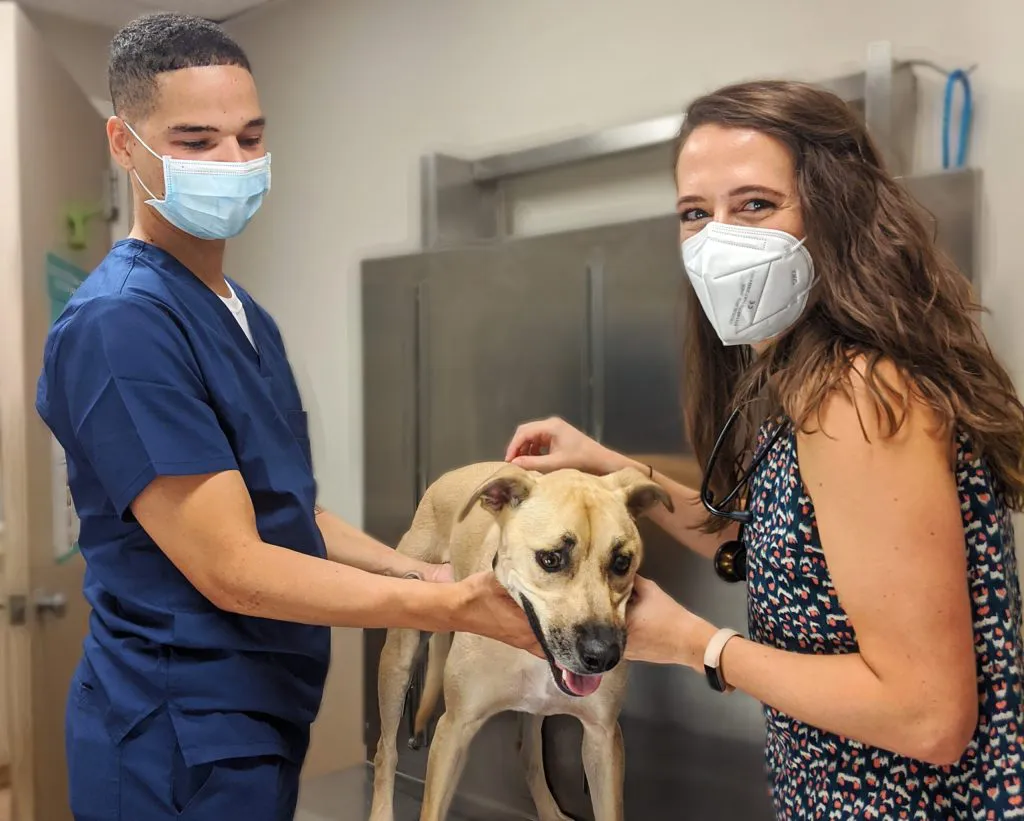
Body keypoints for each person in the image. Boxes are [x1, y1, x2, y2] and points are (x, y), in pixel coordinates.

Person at [36, 13, 534, 821]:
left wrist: (418, 570)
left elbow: (283, 509)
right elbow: (233, 565)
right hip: (174, 733)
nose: (233, 163)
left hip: (249, 718)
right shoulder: (121, 324)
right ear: (124, 145)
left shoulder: (240, 314)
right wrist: (444, 609)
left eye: (249, 137)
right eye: (197, 142)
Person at [506, 80, 1024, 819]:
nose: (719, 240)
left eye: (754, 204)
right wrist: (604, 465)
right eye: (695, 213)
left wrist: (701, 647)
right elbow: (762, 539)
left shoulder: (857, 398)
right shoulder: (806, 380)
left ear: (833, 210)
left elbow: (928, 717)